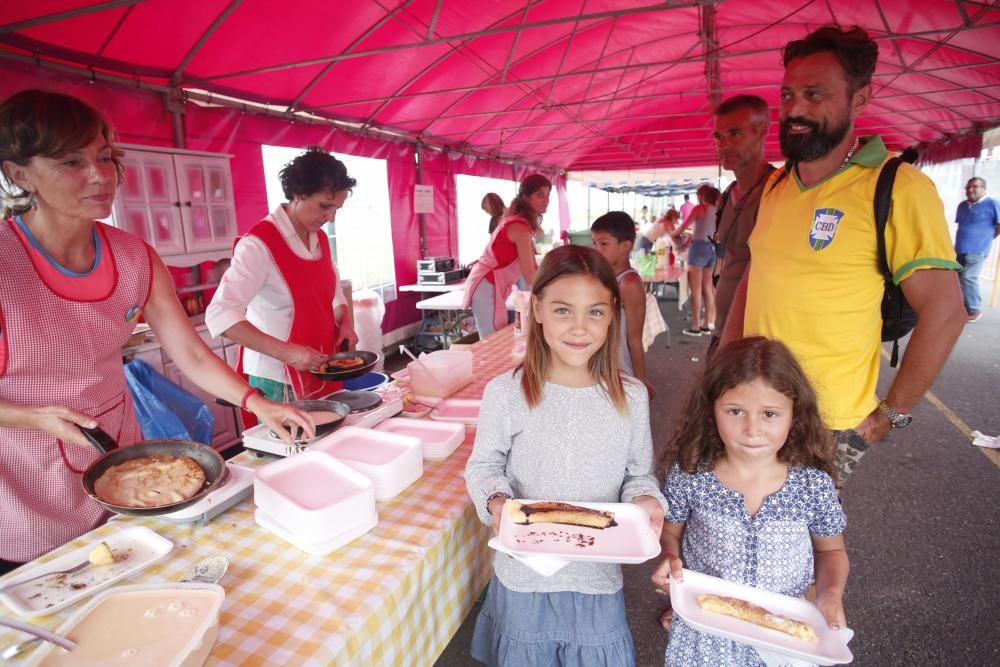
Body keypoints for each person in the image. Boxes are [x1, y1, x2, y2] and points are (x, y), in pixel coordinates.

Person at [0, 89, 314, 568]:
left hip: (120, 457)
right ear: (18, 173)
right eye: (70, 162)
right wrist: (34, 417)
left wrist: (257, 402)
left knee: (128, 568)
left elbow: (189, 353)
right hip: (24, 473)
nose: (99, 176)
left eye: (104, 158)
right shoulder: (6, 264)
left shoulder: (132, 255)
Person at [721, 25, 965, 487]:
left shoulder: (897, 186)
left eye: (815, 95)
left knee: (796, 547)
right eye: (788, 94)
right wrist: (724, 367)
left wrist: (893, 414)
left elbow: (946, 311)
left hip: (824, 422)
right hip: (748, 403)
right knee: (732, 534)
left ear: (860, 98)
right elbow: (756, 276)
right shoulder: (776, 186)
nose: (795, 109)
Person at [465, 244, 667, 666]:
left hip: (597, 575)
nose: (580, 327)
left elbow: (639, 475)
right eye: (562, 310)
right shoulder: (506, 393)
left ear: (613, 313)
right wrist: (497, 503)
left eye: (595, 312)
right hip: (525, 574)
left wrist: (646, 500)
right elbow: (484, 465)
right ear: (535, 308)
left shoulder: (631, 396)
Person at [651, 336, 848, 665]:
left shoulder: (814, 486)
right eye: (735, 411)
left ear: (794, 414)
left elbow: (831, 550)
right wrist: (670, 559)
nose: (751, 429)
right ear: (711, 408)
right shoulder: (689, 475)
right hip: (706, 633)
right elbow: (669, 532)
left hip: (784, 633)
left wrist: (829, 594)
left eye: (770, 414)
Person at [206, 147, 359, 402]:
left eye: (336, 209)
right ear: (298, 194)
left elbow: (333, 292)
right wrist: (287, 353)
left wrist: (345, 322)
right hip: (278, 378)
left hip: (321, 367)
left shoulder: (318, 237)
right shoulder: (259, 244)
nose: (330, 217)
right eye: (324, 206)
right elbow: (220, 313)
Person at [708, 95, 776, 360]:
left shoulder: (778, 193)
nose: (723, 145)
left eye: (735, 134)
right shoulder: (727, 196)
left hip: (757, 341)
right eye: (718, 136)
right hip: (721, 332)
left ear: (762, 132)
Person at [463, 174, 550, 338]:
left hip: (489, 283)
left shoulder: (518, 223)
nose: (546, 200)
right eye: (540, 195)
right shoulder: (519, 227)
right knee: (491, 338)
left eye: (547, 195)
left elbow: (534, 266)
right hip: (486, 283)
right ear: (526, 197)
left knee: (496, 334)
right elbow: (531, 276)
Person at [591, 211, 654, 396]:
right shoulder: (602, 276)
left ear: (625, 246)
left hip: (620, 373)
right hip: (599, 369)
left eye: (603, 243)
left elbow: (635, 339)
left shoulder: (629, 284)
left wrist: (641, 384)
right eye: (594, 243)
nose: (597, 249)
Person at [672, 184, 720, 336]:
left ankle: (695, 326)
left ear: (703, 195)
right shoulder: (718, 211)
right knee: (707, 287)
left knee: (696, 289)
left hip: (698, 250)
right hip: (711, 249)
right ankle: (707, 324)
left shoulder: (700, 209)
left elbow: (682, 229)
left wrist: (676, 236)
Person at [954, 177, 1000, 323]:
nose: (970, 190)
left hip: (978, 249)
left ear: (983, 189)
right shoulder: (962, 205)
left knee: (968, 277)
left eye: (975, 186)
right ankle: (962, 307)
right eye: (968, 187)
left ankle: (974, 309)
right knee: (957, 278)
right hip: (960, 248)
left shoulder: (993, 203)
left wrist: (987, 238)